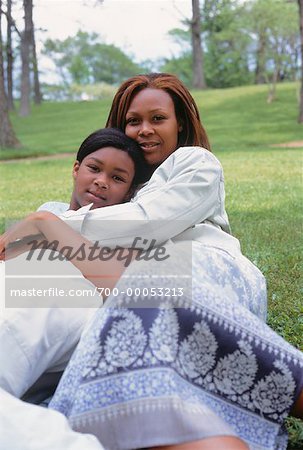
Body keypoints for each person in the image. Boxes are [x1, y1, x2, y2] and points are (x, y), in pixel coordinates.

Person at [0, 73, 302, 450]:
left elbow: (149, 219)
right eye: (133, 121)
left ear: (180, 124)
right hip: (130, 279)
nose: (144, 130)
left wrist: (48, 225)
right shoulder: (119, 189)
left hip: (201, 263)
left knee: (142, 294)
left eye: (157, 119)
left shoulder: (194, 162)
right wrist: (49, 225)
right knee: (107, 322)